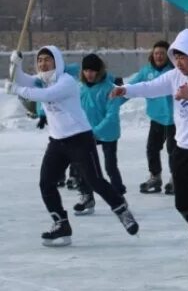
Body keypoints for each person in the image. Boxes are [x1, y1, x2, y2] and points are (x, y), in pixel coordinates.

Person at [112, 29, 188, 276]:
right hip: (182, 147)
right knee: (182, 202)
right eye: (175, 57)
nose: (179, 62)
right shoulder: (174, 77)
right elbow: (149, 87)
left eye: (183, 56)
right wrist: (126, 89)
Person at [5, 47, 138, 247]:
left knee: (95, 181)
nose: (43, 64)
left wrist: (16, 89)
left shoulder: (66, 81)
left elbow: (45, 95)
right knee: (46, 183)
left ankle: (122, 210)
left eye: (47, 60)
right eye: (40, 60)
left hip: (80, 139)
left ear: (57, 62)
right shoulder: (42, 80)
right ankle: (61, 224)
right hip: (57, 142)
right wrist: (15, 64)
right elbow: (21, 79)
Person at [72, 54, 127, 216]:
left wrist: (96, 132)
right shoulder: (80, 89)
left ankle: (118, 195)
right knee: (83, 165)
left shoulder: (109, 89)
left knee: (110, 165)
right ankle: (87, 196)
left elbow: (111, 115)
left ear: (99, 71)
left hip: (107, 132)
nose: (89, 74)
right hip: (86, 133)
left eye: (93, 71)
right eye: (87, 70)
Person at [128, 40, 177, 194]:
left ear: (168, 56)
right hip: (156, 118)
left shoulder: (174, 71)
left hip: (173, 119)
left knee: (173, 150)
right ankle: (155, 177)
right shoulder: (146, 71)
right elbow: (132, 86)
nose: (159, 56)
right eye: (156, 53)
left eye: (162, 53)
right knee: (152, 148)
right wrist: (119, 92)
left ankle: (176, 178)